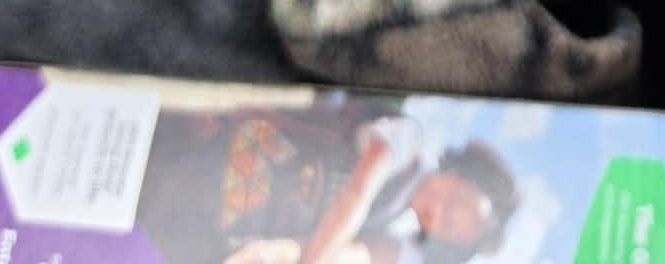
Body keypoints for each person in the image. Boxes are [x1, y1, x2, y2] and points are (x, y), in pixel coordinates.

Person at [136, 96, 519, 264]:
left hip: (201, 218)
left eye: (447, 225)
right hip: (215, 144)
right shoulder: (408, 142)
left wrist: (278, 254)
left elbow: (341, 251)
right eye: (457, 200)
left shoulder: (385, 224)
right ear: (459, 174)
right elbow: (357, 191)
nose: (441, 211)